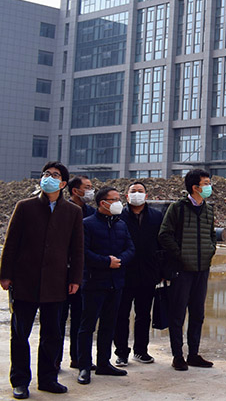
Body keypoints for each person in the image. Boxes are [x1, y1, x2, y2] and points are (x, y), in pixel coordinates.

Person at [0, 162, 84, 399]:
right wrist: (5, 275)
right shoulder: (24, 206)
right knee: (20, 334)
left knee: (52, 334)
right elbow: (11, 243)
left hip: (56, 282)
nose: (49, 177)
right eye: (46, 174)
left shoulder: (72, 212)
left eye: (55, 175)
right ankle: (20, 381)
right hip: (25, 280)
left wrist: (75, 278)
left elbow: (77, 249)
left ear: (63, 183)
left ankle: (48, 379)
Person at [159, 169, 217, 371]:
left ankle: (194, 354)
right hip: (182, 270)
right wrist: (181, 254)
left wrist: (210, 250)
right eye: (206, 183)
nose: (209, 187)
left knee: (198, 313)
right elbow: (164, 234)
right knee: (177, 315)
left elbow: (211, 235)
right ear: (195, 187)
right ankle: (178, 356)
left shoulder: (208, 209)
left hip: (202, 269)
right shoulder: (178, 208)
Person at [77, 187, 135, 385]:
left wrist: (120, 260)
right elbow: (83, 252)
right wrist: (105, 262)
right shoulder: (87, 224)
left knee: (108, 325)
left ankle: (104, 363)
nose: (119, 203)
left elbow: (130, 248)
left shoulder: (121, 224)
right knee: (87, 326)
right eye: (114, 199)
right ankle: (84, 366)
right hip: (94, 282)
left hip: (115, 282)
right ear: (103, 203)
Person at [113, 182, 164, 366]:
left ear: (146, 196)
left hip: (148, 273)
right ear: (127, 196)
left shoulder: (156, 216)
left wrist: (161, 270)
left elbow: (161, 244)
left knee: (144, 315)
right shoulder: (118, 215)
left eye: (140, 191)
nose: (136, 194)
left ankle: (141, 351)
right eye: (133, 191)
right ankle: (121, 352)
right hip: (124, 273)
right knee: (121, 315)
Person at [58, 175, 96, 371]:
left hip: (84, 274)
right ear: (75, 190)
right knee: (58, 319)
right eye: (87, 187)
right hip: (61, 273)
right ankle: (54, 361)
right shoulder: (61, 210)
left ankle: (79, 358)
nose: (91, 190)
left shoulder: (91, 212)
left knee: (81, 319)